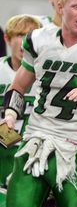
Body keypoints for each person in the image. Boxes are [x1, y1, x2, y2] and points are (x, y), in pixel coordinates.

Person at [2, 0, 77, 207]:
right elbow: (19, 85)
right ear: (60, 6)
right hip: (36, 138)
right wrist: (10, 113)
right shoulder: (39, 39)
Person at [0, 15, 41, 186]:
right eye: (20, 35)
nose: (25, 41)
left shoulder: (48, 71)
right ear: (7, 39)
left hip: (35, 146)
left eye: (30, 35)